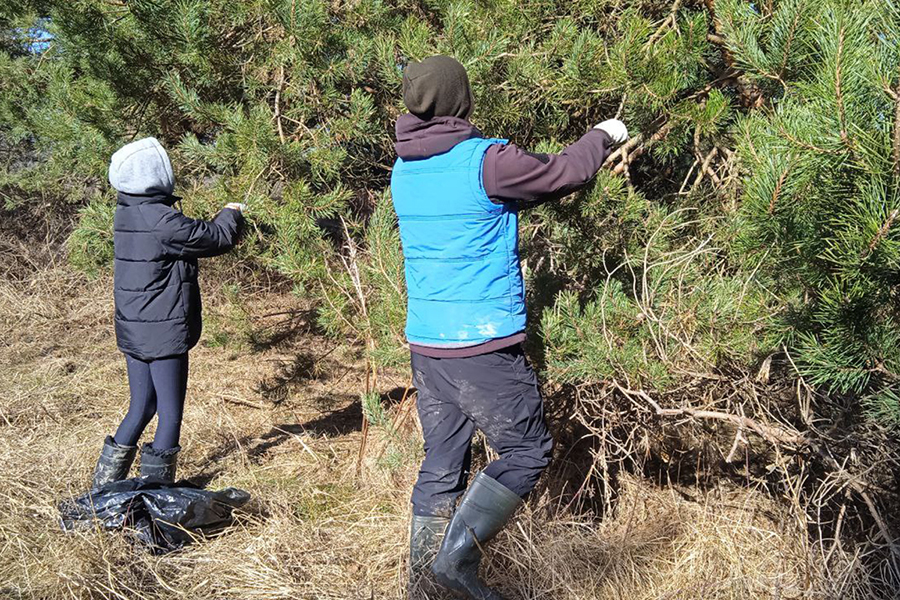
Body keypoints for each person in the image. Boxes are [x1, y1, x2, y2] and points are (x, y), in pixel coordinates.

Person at [391, 56, 628, 600]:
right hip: (481, 342)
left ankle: (422, 586)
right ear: (459, 100)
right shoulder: (485, 162)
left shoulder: (404, 170)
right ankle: (453, 565)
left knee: (442, 461)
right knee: (526, 452)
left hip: (427, 344)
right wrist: (602, 134)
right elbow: (560, 173)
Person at [91, 137, 245, 489]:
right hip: (162, 332)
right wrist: (231, 212)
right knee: (170, 414)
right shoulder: (159, 218)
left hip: (135, 328)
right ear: (155, 176)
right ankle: (156, 500)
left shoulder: (127, 210)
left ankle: (102, 490)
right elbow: (214, 238)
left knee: (140, 407)